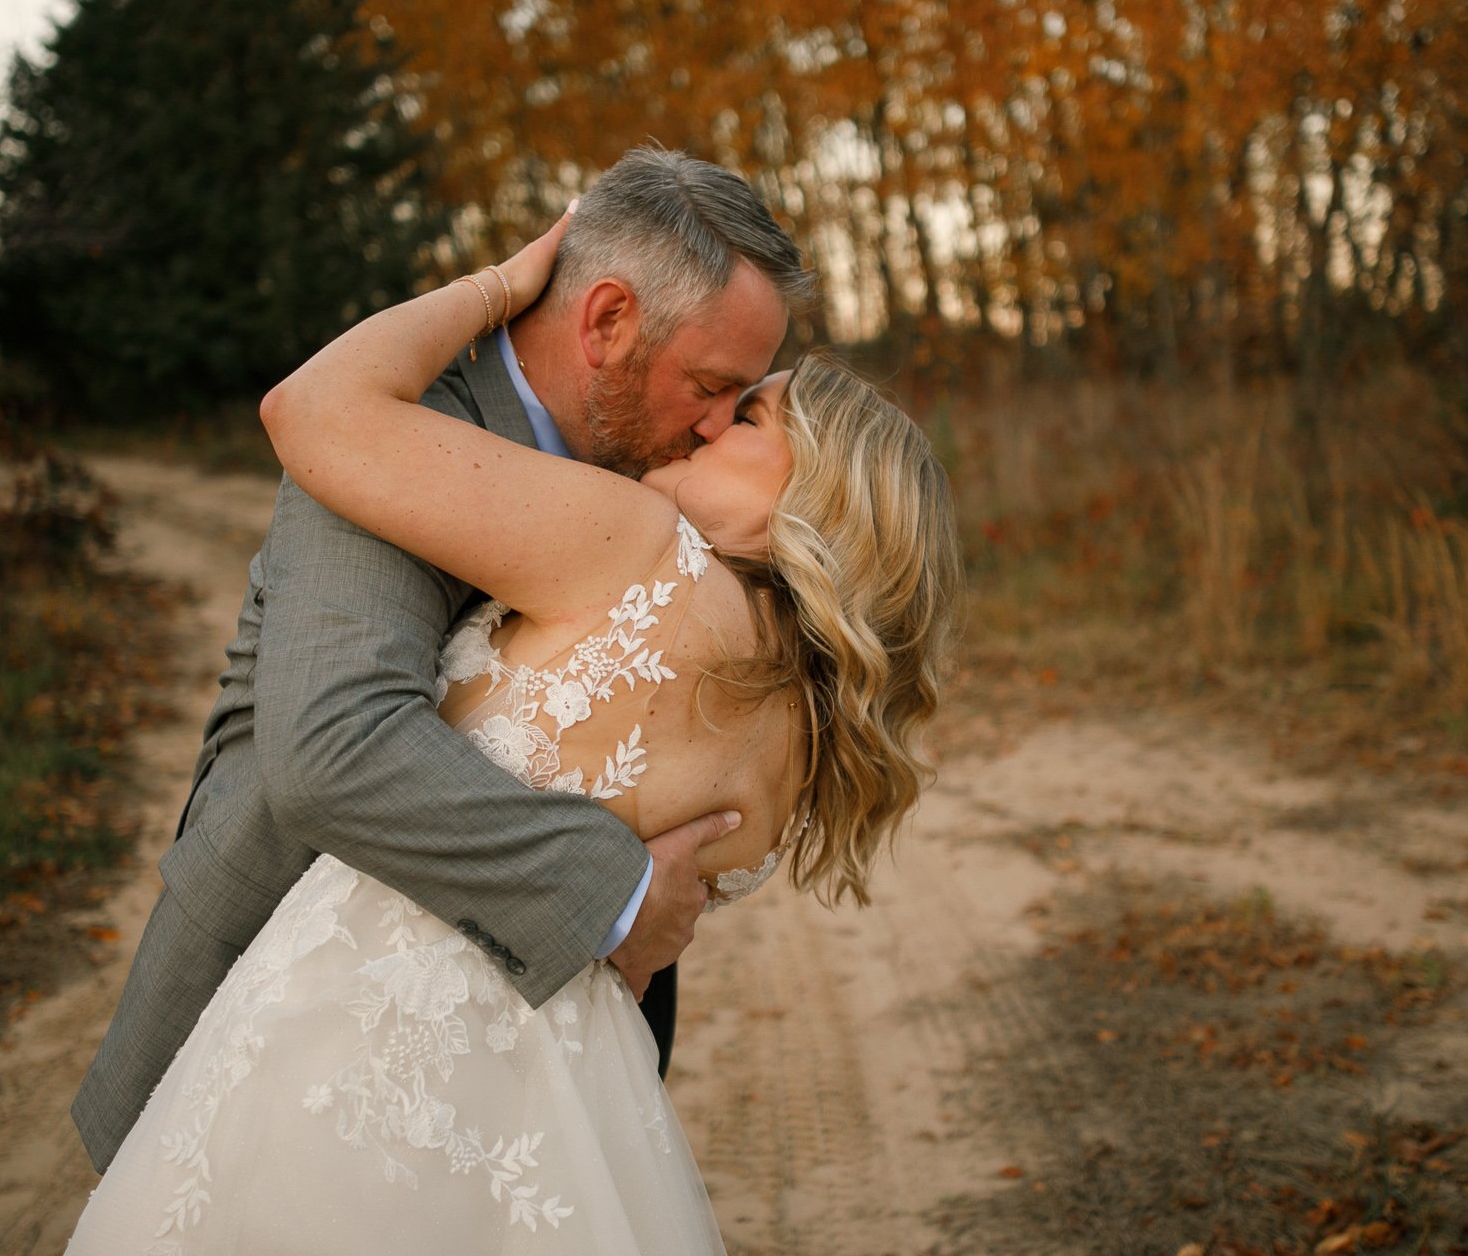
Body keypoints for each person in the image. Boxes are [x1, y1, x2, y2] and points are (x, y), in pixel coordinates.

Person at [65, 198, 959, 1251]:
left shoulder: (653, 519)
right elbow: (330, 749)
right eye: (718, 389)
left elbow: (314, 405)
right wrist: (619, 896)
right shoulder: (797, 689)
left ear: (820, 498)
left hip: (470, 1054)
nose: (714, 421)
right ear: (609, 320)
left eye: (743, 409)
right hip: (346, 1016)